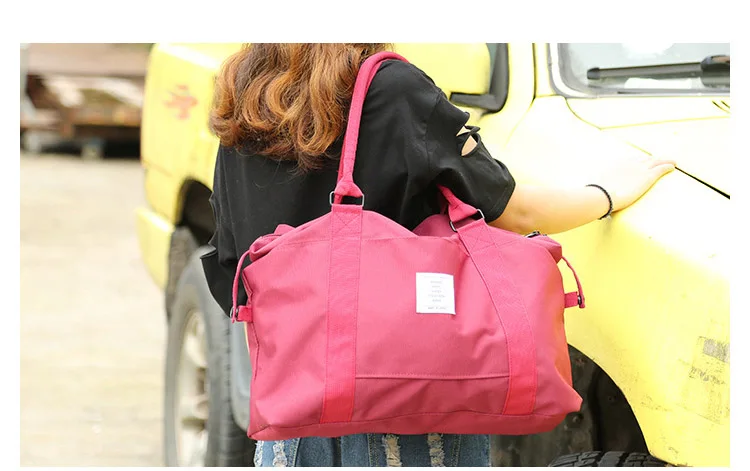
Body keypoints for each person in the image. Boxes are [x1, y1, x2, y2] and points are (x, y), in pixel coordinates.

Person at [201, 43, 675, 467]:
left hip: (295, 414)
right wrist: (606, 194)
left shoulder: (245, 95)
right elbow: (511, 209)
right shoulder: (390, 87)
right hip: (407, 408)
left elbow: (231, 261)